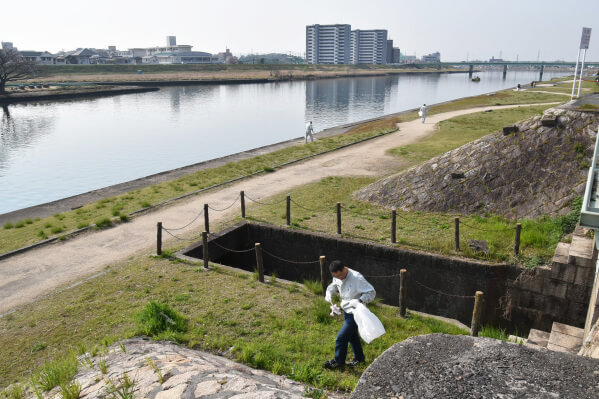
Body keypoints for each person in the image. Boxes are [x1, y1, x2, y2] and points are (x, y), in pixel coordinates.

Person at [323, 260, 376, 369]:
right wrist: (329, 292)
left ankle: (338, 361)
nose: (339, 278)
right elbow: (334, 285)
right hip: (346, 310)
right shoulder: (337, 276)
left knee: (341, 338)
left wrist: (360, 300)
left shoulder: (357, 278)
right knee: (352, 336)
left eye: (341, 276)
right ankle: (359, 358)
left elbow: (371, 292)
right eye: (336, 277)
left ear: (344, 269)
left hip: (356, 312)